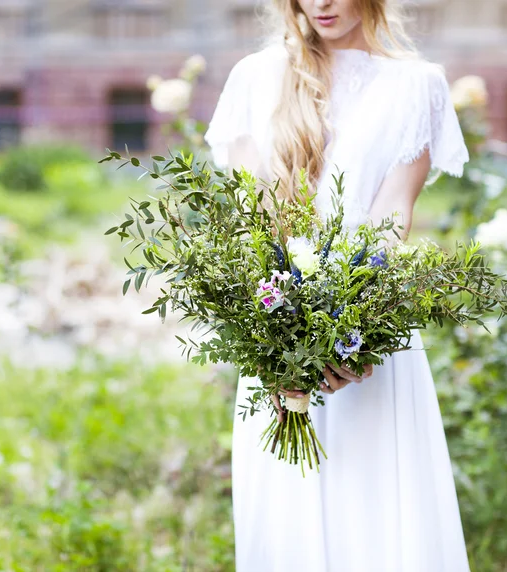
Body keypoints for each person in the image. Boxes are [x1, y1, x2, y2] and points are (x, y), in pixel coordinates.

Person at [204, 1, 471, 570]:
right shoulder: (256, 77)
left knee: (379, 518)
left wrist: (355, 326)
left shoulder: (417, 85)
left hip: (367, 338)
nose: (320, 3)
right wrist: (279, 336)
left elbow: (393, 216)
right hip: (275, 328)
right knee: (287, 519)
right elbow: (255, 218)